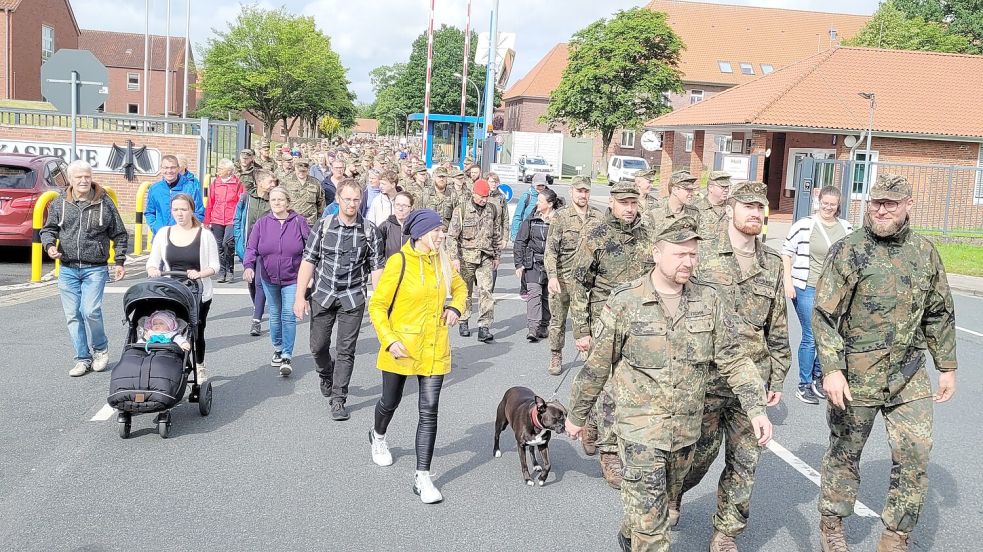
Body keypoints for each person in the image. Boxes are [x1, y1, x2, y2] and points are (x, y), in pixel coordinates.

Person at [566, 216, 773, 552]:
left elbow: (734, 359)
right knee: (654, 533)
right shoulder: (625, 302)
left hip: (685, 432)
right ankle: (644, 532)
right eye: (680, 254)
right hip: (640, 431)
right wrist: (577, 414)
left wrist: (756, 409)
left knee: (660, 503)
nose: (688, 262)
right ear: (657, 253)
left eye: (693, 254)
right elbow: (598, 366)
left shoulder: (708, 300)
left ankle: (635, 525)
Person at [814, 174, 957, 552]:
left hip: (908, 377)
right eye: (876, 202)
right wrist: (831, 369)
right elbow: (825, 315)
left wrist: (947, 367)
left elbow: (939, 313)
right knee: (845, 453)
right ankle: (832, 524)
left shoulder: (925, 252)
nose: (881, 209)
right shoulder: (849, 250)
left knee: (915, 454)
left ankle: (895, 536)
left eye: (890, 203)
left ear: (908, 204)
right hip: (855, 376)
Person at [671, 181, 789, 551]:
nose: (754, 212)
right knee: (695, 459)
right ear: (730, 209)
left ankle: (726, 534)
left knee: (745, 462)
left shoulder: (771, 263)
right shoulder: (702, 255)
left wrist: (777, 374)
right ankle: (674, 495)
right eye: (747, 205)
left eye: (760, 207)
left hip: (751, 379)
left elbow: (778, 323)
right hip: (704, 377)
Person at [367, 209, 468, 504]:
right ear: (421, 233)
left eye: (442, 231)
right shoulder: (399, 263)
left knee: (429, 410)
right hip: (402, 347)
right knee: (390, 401)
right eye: (436, 231)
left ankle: (422, 476)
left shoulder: (444, 261)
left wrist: (455, 308)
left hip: (435, 345)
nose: (441, 236)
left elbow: (461, 290)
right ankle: (378, 435)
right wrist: (389, 340)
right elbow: (377, 306)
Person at [570, 180, 656, 489]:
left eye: (634, 203)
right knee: (607, 388)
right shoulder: (595, 236)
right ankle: (609, 454)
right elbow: (579, 285)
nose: (630, 209)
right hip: (603, 324)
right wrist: (581, 329)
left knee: (628, 388)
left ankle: (594, 422)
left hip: (641, 325)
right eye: (624, 203)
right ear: (612, 203)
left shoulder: (647, 236)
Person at [294, 179, 385, 421]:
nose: (352, 204)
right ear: (338, 199)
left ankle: (338, 398)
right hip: (323, 294)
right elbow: (308, 261)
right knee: (318, 346)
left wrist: (381, 303)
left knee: (346, 350)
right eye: (347, 199)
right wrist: (299, 297)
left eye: (356, 199)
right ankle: (326, 374)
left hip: (352, 297)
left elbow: (377, 269)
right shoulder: (323, 226)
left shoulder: (369, 230)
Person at [40, 160, 128, 377]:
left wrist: (119, 261)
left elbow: (119, 233)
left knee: (90, 311)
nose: (83, 180)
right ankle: (82, 358)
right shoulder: (60, 202)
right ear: (70, 179)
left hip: (94, 268)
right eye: (78, 177)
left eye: (87, 176)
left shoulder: (104, 202)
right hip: (68, 268)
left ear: (91, 178)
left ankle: (100, 349)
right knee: (72, 315)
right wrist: (50, 246)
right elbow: (48, 230)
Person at [781, 186, 853, 405]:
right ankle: (803, 385)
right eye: (825, 203)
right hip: (807, 287)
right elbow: (786, 252)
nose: (828, 207)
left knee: (832, 336)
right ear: (818, 202)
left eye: (833, 204)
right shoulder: (804, 226)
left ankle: (817, 377)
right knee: (812, 335)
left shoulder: (846, 228)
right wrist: (788, 281)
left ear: (838, 205)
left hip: (834, 291)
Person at [147, 193, 220, 383]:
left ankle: (200, 365)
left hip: (198, 291)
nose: (179, 214)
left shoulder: (204, 235)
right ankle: (170, 364)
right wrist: (154, 269)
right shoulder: (164, 233)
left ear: (191, 211)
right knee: (169, 328)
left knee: (197, 330)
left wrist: (200, 273)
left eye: (184, 209)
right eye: (176, 209)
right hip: (173, 291)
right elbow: (152, 262)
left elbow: (215, 266)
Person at [243, 187, 311, 377]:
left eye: (281, 199)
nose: (277, 203)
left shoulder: (299, 222)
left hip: (293, 277)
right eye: (273, 200)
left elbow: (311, 248)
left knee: (288, 315)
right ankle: (278, 347)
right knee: (274, 314)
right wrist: (248, 266)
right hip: (268, 276)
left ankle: (287, 355)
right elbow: (251, 247)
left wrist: (310, 275)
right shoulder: (262, 223)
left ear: (288, 202)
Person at [544, 175, 603, 375]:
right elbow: (551, 250)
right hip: (562, 279)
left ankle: (589, 356)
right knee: (557, 321)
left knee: (587, 321)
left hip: (587, 282)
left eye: (586, 191)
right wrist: (552, 276)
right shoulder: (561, 217)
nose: (583, 195)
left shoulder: (598, 217)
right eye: (579, 191)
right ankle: (556, 354)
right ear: (572, 192)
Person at [446, 179, 503, 342]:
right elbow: (451, 237)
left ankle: (484, 326)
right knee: (465, 292)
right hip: (466, 258)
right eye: (481, 197)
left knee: (486, 290)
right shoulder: (461, 210)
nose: (484, 200)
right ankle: (463, 320)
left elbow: (496, 234)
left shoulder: (492, 209)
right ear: (473, 194)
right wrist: (454, 258)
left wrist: (497, 256)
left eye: (486, 197)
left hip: (485, 257)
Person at [514, 187, 563, 343]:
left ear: (549, 204)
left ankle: (543, 325)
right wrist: (519, 264)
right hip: (533, 262)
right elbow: (520, 241)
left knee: (548, 296)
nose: (536, 203)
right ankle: (532, 329)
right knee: (534, 293)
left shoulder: (560, 220)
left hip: (553, 264)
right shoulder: (531, 219)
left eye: (540, 201)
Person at [234, 170, 276, 337]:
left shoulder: (273, 200)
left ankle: (256, 320)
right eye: (270, 181)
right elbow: (237, 220)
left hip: (265, 250)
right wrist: (238, 242)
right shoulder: (246, 198)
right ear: (259, 183)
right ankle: (257, 304)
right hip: (247, 247)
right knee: (251, 283)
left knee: (259, 282)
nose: (273, 184)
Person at [204, 158, 244, 283]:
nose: (218, 171)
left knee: (228, 243)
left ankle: (230, 269)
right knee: (218, 246)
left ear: (229, 171)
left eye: (221, 169)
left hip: (231, 218)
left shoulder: (237, 183)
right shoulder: (215, 183)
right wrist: (207, 219)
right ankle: (222, 272)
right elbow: (210, 201)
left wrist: (240, 218)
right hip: (217, 218)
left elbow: (240, 202)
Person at [145, 155, 205, 234]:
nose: (169, 171)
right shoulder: (155, 189)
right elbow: (149, 212)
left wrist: (187, 229)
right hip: (161, 236)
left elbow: (199, 212)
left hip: (184, 236)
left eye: (172, 167)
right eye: (166, 167)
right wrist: (156, 228)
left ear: (178, 168)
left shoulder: (190, 187)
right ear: (161, 169)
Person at [647, 170, 700, 236]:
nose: (692, 194)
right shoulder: (654, 212)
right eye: (688, 190)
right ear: (674, 190)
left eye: (692, 190)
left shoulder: (694, 213)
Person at [280, 158, 325, 227]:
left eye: (304, 171)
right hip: (291, 221)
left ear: (308, 170)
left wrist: (319, 220)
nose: (301, 173)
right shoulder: (286, 182)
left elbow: (321, 202)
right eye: (299, 171)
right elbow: (280, 199)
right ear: (295, 168)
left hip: (310, 222)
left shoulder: (315, 183)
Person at [694, 171, 732, 236]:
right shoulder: (696, 209)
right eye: (722, 187)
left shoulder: (731, 207)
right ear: (710, 187)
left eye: (727, 187)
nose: (726, 190)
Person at [378, 191, 414, 259]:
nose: (400, 209)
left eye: (405, 206)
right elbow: (377, 253)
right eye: (397, 205)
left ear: (411, 208)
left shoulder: (416, 227)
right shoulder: (385, 227)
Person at [511, 173, 546, 240]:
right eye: (538, 185)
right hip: (527, 233)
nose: (541, 187)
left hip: (542, 233)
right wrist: (514, 235)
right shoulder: (526, 196)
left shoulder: (548, 196)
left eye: (542, 185)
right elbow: (517, 216)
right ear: (533, 184)